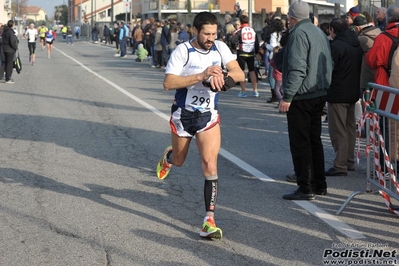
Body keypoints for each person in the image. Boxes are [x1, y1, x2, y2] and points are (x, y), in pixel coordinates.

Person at [156, 11, 244, 239]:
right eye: (206, 33)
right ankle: (169, 157)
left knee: (209, 164)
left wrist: (224, 81)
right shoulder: (183, 51)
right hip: (183, 114)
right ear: (195, 31)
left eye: (214, 33)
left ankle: (209, 219)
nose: (210, 38)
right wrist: (201, 75)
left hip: (208, 116)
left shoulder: (220, 48)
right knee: (179, 160)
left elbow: (239, 73)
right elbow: (168, 83)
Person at [279, 0, 333, 200]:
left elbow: (297, 68)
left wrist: (287, 96)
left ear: (291, 18)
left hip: (302, 95)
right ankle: (320, 184)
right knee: (314, 140)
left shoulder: (298, 34)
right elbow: (329, 62)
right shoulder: (319, 32)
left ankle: (305, 187)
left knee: (300, 142)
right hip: (318, 92)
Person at [324, 18, 363, 176]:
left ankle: (340, 164)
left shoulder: (337, 46)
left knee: (338, 130)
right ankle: (349, 161)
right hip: (352, 91)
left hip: (338, 92)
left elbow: (329, 69)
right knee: (349, 128)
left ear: (333, 29)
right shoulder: (356, 44)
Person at [231, 15, 260, 97]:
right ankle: (255, 91)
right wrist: (256, 52)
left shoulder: (239, 31)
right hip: (251, 53)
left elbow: (232, 40)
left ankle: (243, 91)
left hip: (242, 53)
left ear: (240, 22)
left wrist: (235, 47)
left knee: (241, 71)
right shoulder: (252, 30)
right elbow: (256, 42)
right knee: (252, 71)